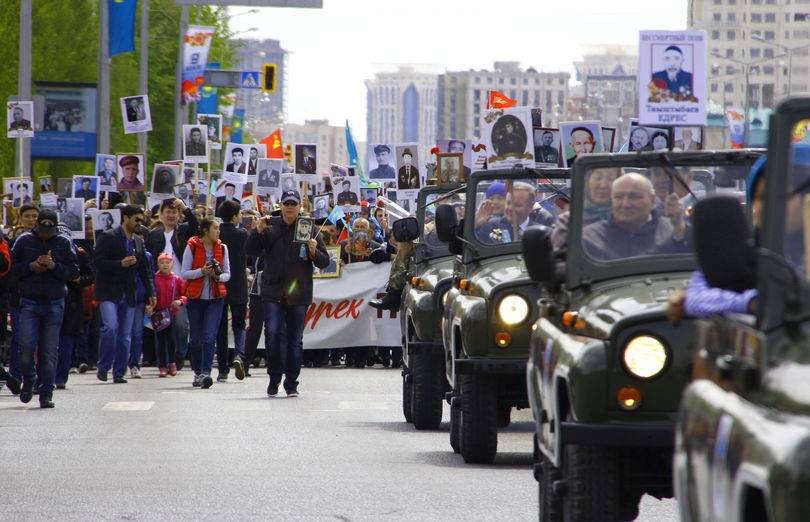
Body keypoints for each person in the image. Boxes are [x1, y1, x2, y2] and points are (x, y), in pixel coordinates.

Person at [245, 189, 330, 397]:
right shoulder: (270, 225)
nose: (290, 207)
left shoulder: (309, 228)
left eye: (293, 204)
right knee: (273, 334)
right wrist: (257, 231)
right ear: (281, 205)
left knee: (295, 339)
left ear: (299, 206)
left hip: (298, 291)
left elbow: (325, 261)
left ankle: (291, 383)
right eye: (287, 203)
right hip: (273, 290)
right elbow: (251, 249)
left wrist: (313, 251)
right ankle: (274, 378)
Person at [10, 209, 79, 407]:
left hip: (54, 302)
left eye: (49, 231)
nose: (45, 234)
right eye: (41, 230)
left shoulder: (64, 243)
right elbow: (12, 270)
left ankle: (46, 392)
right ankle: (29, 377)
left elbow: (73, 271)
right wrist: (32, 266)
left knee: (49, 351)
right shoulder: (24, 241)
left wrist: (53, 266)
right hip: (29, 302)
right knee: (26, 347)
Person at [94, 205, 156, 384]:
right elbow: (97, 263)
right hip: (109, 292)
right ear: (126, 218)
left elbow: (145, 269)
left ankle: (119, 372)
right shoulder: (108, 237)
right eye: (136, 219)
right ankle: (104, 366)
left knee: (125, 335)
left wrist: (151, 292)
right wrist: (119, 264)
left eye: (142, 220)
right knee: (111, 327)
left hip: (129, 293)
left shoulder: (138, 241)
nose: (140, 223)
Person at [582, 173, 689, 261]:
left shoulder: (672, 231)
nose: (625, 204)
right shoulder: (590, 239)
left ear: (652, 200)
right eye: (619, 197)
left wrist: (679, 230)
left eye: (634, 197)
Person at [145, 197, 198, 370]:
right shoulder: (154, 235)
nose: (171, 215)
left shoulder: (183, 231)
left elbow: (195, 226)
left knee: (181, 326)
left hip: (181, 285)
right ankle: (164, 360)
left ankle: (179, 356)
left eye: (174, 212)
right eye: (168, 212)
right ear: (161, 214)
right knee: (161, 326)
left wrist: (185, 209)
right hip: (160, 286)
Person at [182, 218, 231, 389]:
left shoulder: (223, 248)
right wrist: (201, 272)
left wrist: (218, 277)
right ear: (205, 230)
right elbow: (184, 273)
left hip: (216, 300)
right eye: (215, 228)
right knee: (196, 339)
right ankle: (197, 372)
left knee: (210, 337)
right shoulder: (192, 247)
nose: (218, 231)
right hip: (195, 300)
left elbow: (227, 274)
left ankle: (206, 372)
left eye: (219, 228)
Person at [215, 201, 249, 382]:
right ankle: (239, 355)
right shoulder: (242, 234)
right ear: (235, 216)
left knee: (220, 328)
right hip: (238, 285)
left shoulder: (216, 233)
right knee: (239, 324)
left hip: (219, 284)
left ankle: (222, 369)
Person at [55, 235, 94, 390]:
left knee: (66, 339)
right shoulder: (45, 249)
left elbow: (90, 276)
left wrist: (79, 280)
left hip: (71, 302)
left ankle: (60, 376)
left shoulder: (79, 253)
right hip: (48, 298)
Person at [476, 182, 552, 243]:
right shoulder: (490, 226)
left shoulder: (540, 233)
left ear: (530, 207)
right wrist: (475, 224)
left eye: (517, 205)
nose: (510, 208)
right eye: (508, 203)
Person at [151, 253, 186, 377]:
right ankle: (162, 365)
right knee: (160, 340)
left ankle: (172, 363)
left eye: (167, 262)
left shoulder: (176, 279)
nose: (165, 265)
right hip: (158, 314)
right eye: (162, 262)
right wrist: (149, 304)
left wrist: (180, 301)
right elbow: (150, 294)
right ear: (157, 264)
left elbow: (185, 294)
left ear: (172, 264)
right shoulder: (154, 279)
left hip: (171, 313)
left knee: (172, 339)